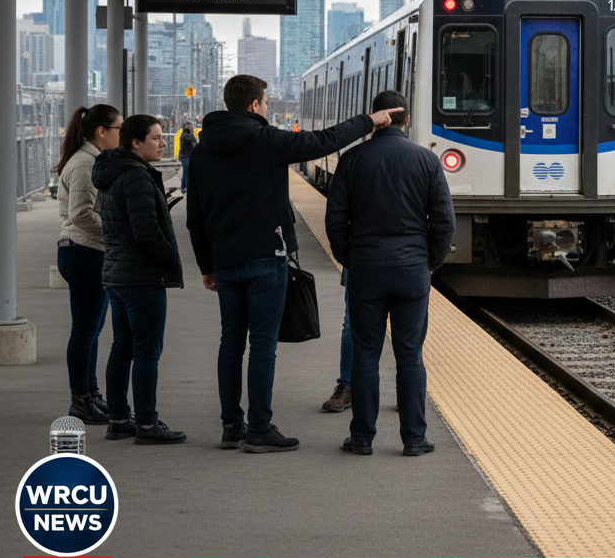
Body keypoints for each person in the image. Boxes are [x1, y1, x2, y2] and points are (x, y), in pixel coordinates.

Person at [186, 74, 403, 453]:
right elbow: (323, 142)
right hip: (265, 259)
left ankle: (231, 426)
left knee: (230, 342)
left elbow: (195, 216)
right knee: (263, 345)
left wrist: (207, 265)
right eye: (266, 102)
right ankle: (259, 428)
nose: (267, 108)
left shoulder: (203, 150)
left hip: (225, 262)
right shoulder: (266, 139)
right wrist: (370, 120)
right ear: (255, 105)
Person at [326, 89, 456, 457]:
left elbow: (335, 220)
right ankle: (414, 439)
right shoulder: (426, 161)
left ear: (376, 117)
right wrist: (429, 262)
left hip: (366, 269)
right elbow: (445, 223)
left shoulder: (352, 160)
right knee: (410, 355)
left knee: (366, 354)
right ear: (407, 120)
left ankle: (362, 438)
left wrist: (349, 259)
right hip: (412, 269)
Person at [92, 115, 186, 444]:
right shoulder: (136, 177)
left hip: (118, 273)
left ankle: (118, 418)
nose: (163, 143)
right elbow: (145, 231)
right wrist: (171, 259)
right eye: (157, 138)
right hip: (141, 277)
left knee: (123, 348)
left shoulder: (116, 172)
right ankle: (147, 424)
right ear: (136, 142)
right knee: (147, 352)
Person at [55, 103, 122, 424]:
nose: (122, 135)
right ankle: (80, 399)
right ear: (102, 132)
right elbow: (80, 213)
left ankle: (91, 394)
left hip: (90, 252)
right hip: (84, 252)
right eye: (119, 129)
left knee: (92, 330)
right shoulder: (84, 164)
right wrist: (117, 233)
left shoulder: (90, 159)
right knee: (85, 331)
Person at [321, 273, 353, 413]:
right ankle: (347, 385)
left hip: (408, 261)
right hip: (361, 261)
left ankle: (406, 390)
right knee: (351, 324)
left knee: (404, 329)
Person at [178, 122, 197, 193]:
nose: (189, 127)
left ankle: (185, 187)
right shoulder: (186, 135)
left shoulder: (188, 134)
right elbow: (192, 144)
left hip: (187, 155)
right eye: (188, 126)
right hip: (186, 155)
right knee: (186, 172)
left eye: (190, 126)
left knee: (187, 172)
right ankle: (184, 187)